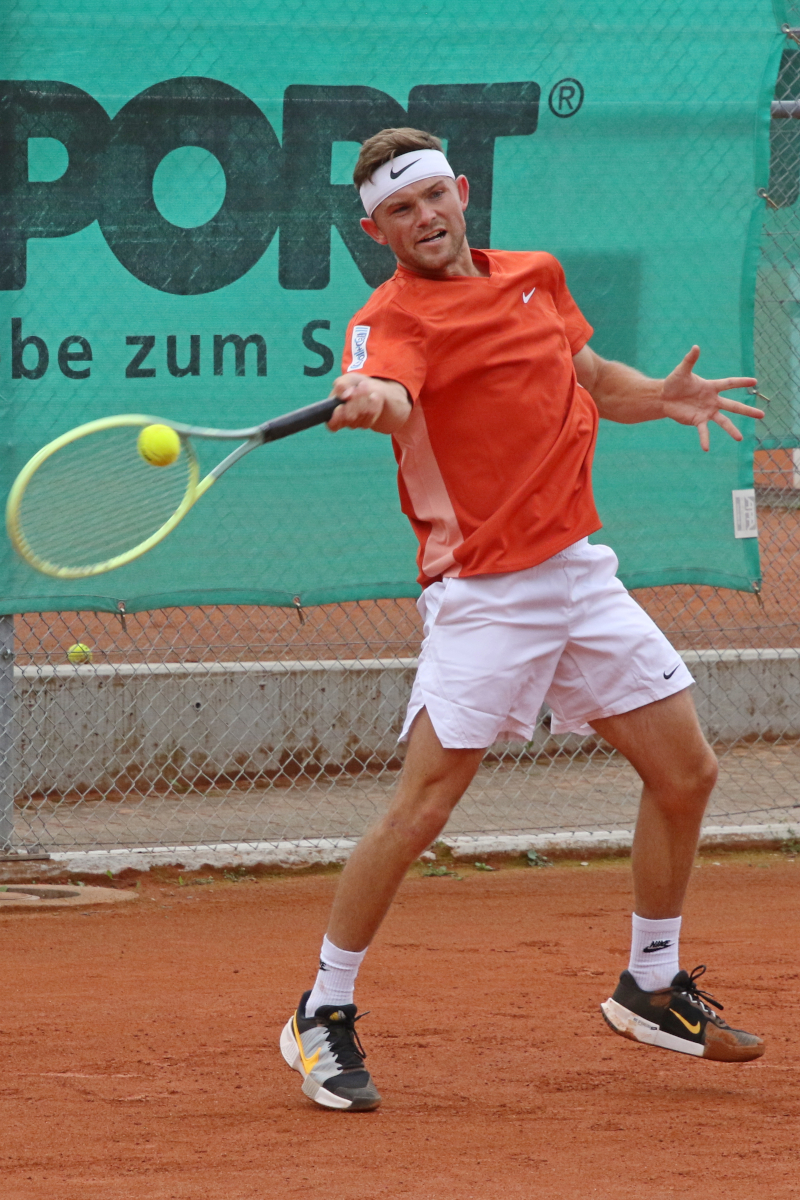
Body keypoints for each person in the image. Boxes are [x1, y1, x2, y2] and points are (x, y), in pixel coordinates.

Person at [279, 128, 766, 1112]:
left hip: (578, 572)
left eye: (431, 196)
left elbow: (593, 380)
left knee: (685, 772)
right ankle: (319, 1012)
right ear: (376, 232)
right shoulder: (390, 319)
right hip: (484, 593)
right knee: (421, 810)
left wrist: (662, 397)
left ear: (461, 191)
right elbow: (389, 389)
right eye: (398, 211)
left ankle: (650, 985)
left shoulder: (535, 276)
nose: (423, 218)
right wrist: (368, 397)